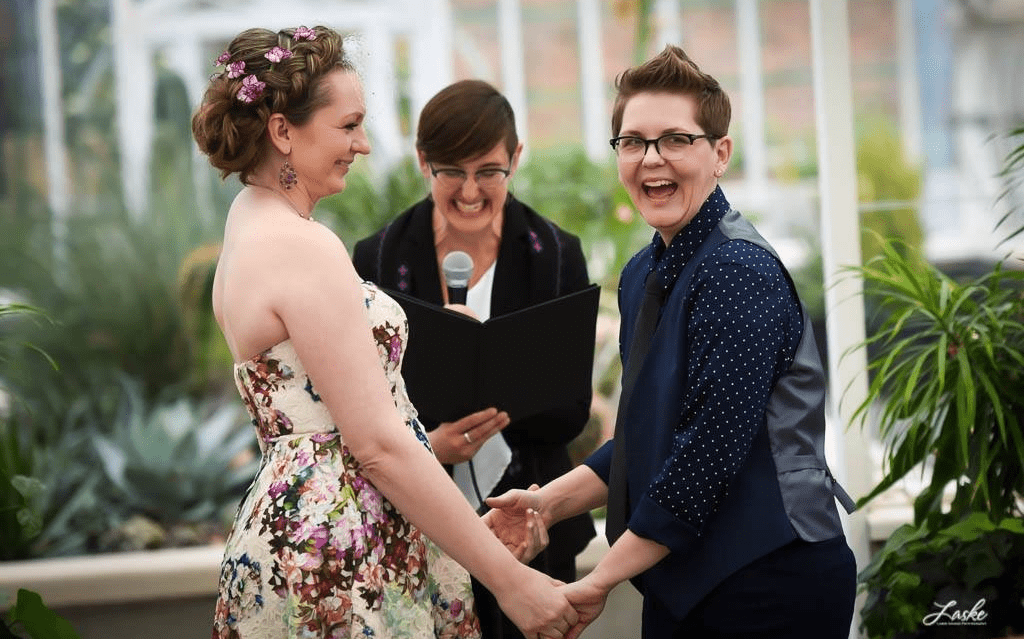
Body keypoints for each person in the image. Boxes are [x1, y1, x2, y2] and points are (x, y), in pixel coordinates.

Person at [191, 26, 576, 639]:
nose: (363, 145)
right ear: (282, 131)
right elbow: (376, 445)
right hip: (341, 548)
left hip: (303, 526)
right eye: (348, 126)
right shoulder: (301, 246)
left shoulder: (248, 223)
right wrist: (511, 582)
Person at [486, 45, 858, 639]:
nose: (651, 159)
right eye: (632, 141)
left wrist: (599, 579)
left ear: (720, 153)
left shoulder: (738, 273)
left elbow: (703, 462)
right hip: (683, 585)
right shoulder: (643, 272)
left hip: (771, 583)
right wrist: (546, 504)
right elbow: (646, 437)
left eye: (675, 140)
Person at [352, 79, 597, 639]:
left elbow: (571, 414)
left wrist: (497, 389)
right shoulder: (380, 257)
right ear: (423, 163)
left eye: (489, 171)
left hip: (530, 520)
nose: (469, 191)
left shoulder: (555, 253)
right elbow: (363, 402)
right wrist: (431, 439)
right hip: (416, 530)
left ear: (516, 158)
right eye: (451, 171)